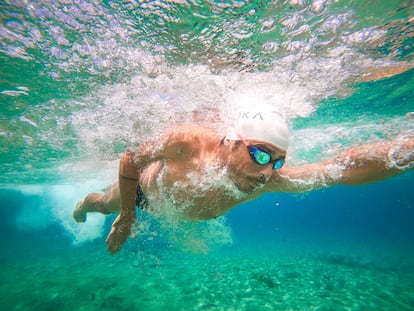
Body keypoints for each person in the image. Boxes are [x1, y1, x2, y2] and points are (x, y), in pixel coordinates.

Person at [73, 101, 414, 254]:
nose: (267, 172)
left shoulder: (268, 179)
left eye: (277, 161)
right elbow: (132, 158)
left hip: (178, 207)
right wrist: (128, 216)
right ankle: (81, 205)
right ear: (231, 142)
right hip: (146, 195)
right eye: (260, 154)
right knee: (103, 203)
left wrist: (407, 152)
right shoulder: (188, 143)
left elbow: (341, 169)